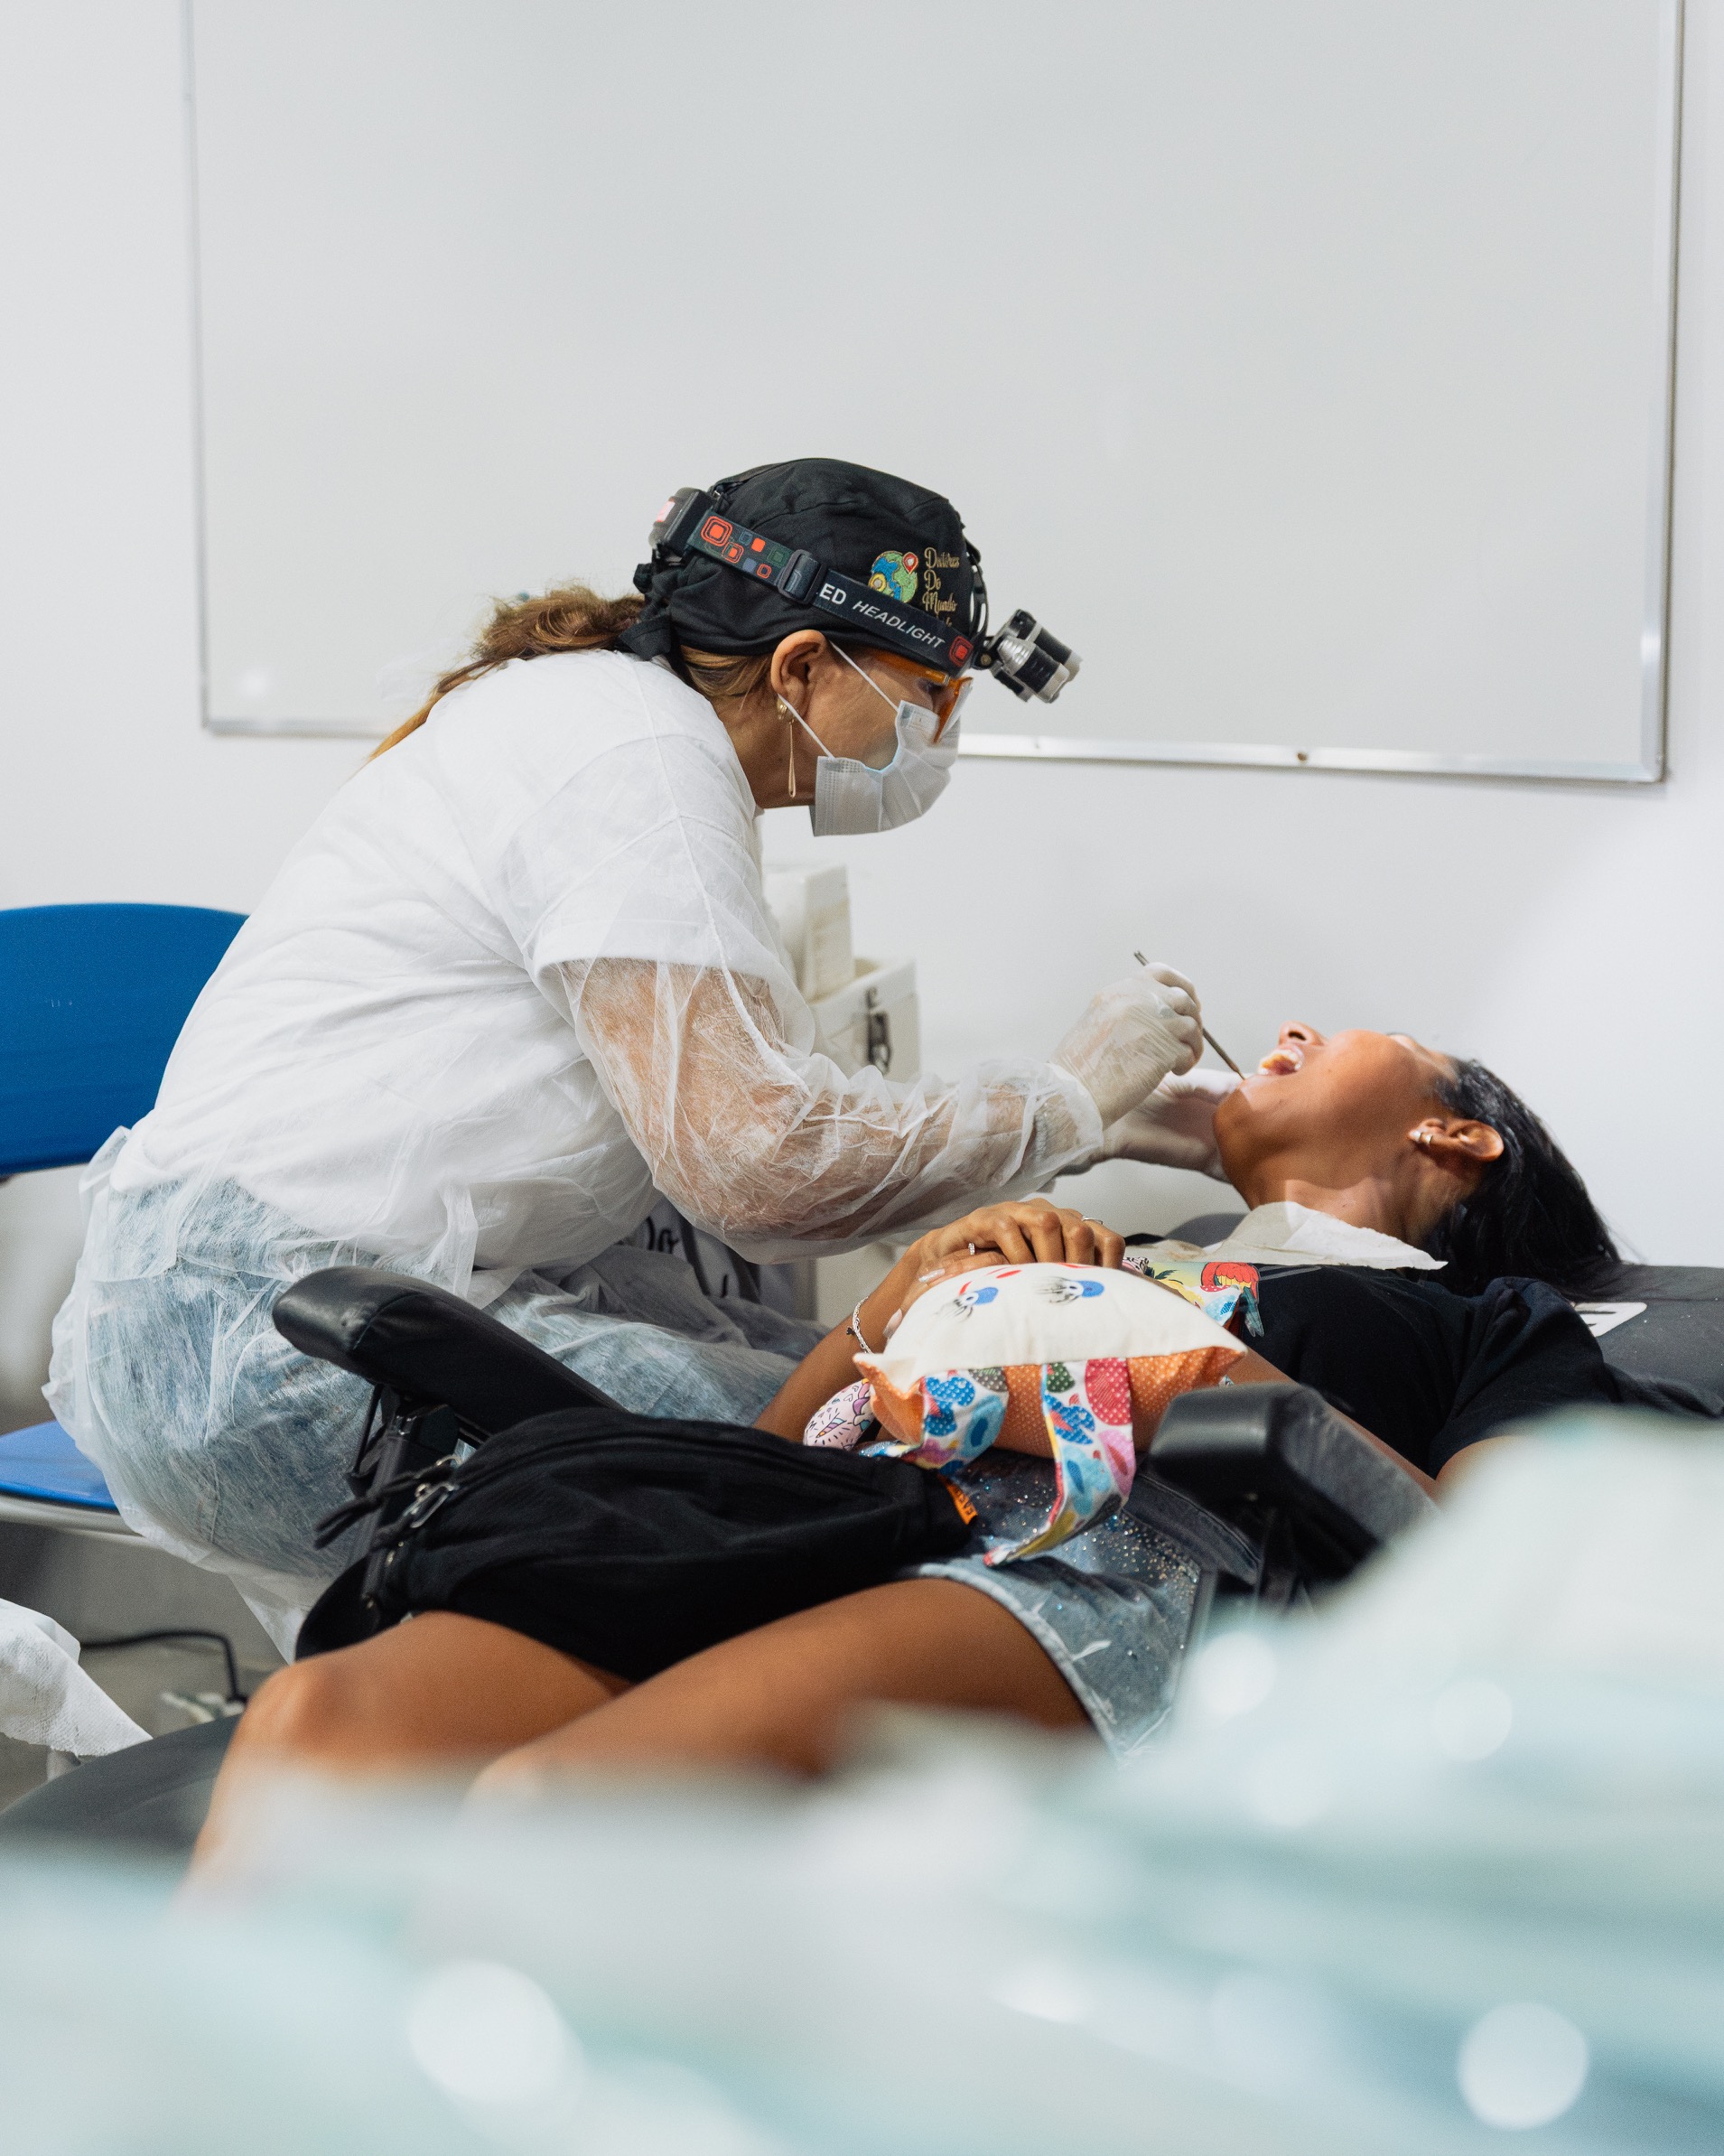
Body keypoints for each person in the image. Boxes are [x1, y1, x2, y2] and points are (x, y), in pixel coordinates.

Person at [44, 459, 1212, 1646]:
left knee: (911, 1400)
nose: (939, 736)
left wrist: (1090, 1124)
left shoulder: (607, 726)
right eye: (927, 694)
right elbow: (760, 1169)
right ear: (803, 666)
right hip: (288, 1357)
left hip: (334, 1309)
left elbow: (756, 1113)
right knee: (961, 1464)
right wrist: (1062, 1104)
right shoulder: (634, 756)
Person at [200, 1019, 1687, 1840]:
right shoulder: (1133, 1247)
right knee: (318, 1736)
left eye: (1352, 1028)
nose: (1287, 1026)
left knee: (562, 1814)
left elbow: (1501, 1579)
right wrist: (908, 1293)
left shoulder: (1481, 1323)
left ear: (1454, 1132)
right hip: (825, 1525)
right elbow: (780, 1457)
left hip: (1106, 1558)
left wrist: (1175, 1377)